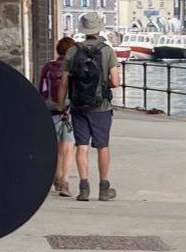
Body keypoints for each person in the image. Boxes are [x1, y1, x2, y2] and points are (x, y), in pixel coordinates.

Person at [60, 11, 120, 202]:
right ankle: (103, 187)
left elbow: (63, 83)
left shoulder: (72, 51)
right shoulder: (107, 51)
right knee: (102, 146)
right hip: (101, 106)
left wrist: (62, 104)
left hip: (78, 105)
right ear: (98, 28)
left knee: (82, 146)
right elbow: (116, 82)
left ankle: (84, 188)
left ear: (83, 30)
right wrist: (102, 85)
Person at [37, 36, 78, 197]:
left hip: (51, 111)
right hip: (69, 112)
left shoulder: (48, 67)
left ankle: (56, 177)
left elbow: (41, 89)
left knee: (55, 148)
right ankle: (65, 181)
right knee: (68, 147)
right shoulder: (74, 69)